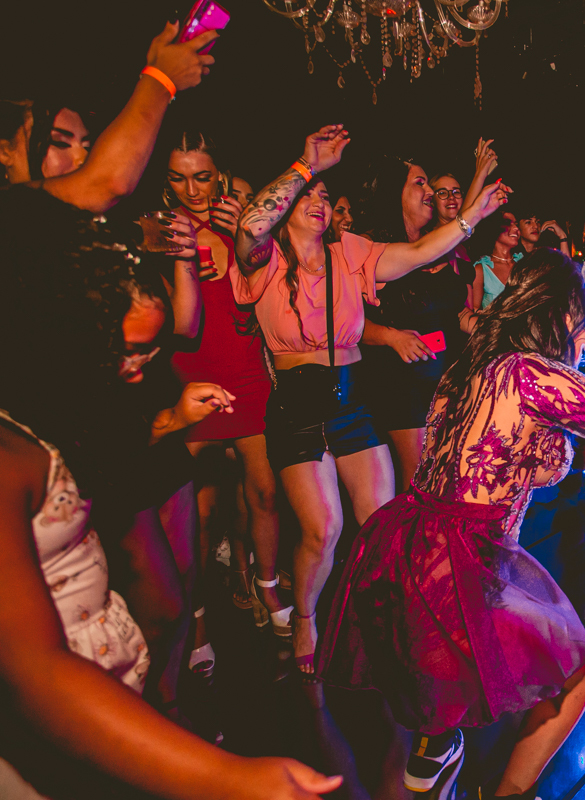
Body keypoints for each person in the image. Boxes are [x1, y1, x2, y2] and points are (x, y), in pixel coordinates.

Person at [0, 21, 344, 800]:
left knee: (166, 593)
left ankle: (172, 708)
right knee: (148, 592)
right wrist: (159, 79)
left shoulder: (99, 238)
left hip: (119, 437)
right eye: (56, 143)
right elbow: (34, 671)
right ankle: (168, 725)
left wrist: (163, 411)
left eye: (82, 143)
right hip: (90, 452)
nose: (80, 161)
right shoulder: (42, 235)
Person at [318, 250, 585, 799]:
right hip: (466, 552)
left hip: (411, 540)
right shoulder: (531, 372)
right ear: (565, 316)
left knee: (441, 698)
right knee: (584, 667)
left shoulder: (470, 366)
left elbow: (508, 462)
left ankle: (433, 758)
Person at [232, 125, 510, 675]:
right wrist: (305, 167)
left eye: (324, 195)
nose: (319, 201)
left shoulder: (350, 253)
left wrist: (471, 218)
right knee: (323, 530)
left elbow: (420, 252)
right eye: (307, 196)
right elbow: (250, 226)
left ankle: (393, 618)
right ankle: (306, 618)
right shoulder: (264, 260)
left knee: (383, 522)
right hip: (297, 409)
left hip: (351, 402)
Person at [161, 132, 289, 652]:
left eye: (202, 177)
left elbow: (262, 293)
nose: (192, 189)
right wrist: (181, 258)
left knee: (265, 492)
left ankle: (267, 586)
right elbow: (178, 323)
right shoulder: (163, 231)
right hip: (193, 376)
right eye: (178, 178)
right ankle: (195, 616)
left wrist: (242, 237)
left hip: (246, 371)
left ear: (220, 176)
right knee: (199, 511)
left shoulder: (240, 225)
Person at [359, 147, 497, 490]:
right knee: (419, 482)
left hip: (446, 377)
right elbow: (347, 322)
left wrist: (488, 327)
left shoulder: (435, 245)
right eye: (420, 183)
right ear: (395, 192)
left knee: (449, 478)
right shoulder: (372, 247)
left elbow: (453, 311)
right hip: (402, 382)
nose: (430, 191)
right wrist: (390, 336)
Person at [471, 210, 523, 309]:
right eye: (508, 223)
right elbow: (474, 309)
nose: (516, 228)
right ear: (493, 228)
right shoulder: (481, 269)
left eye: (516, 224)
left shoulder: (524, 263)